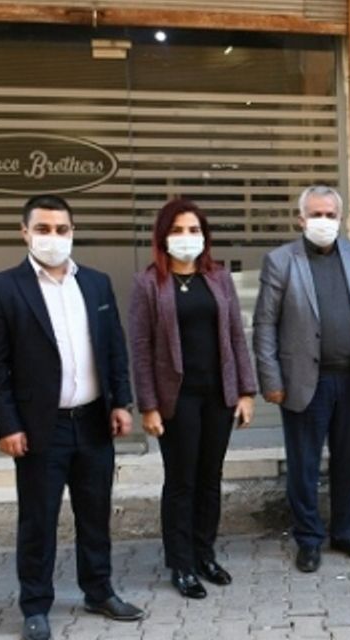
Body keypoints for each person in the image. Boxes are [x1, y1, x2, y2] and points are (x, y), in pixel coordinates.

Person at [0, 194, 143, 640]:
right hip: (39, 428)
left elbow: (113, 348)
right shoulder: (2, 289)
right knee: (39, 519)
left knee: (95, 512)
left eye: (62, 229)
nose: (53, 237)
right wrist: (8, 425)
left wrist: (121, 402)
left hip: (92, 421)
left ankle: (99, 590)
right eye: (43, 229)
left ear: (73, 232)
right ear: (24, 232)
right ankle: (35, 606)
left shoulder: (95, 283)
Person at [129, 199, 257, 598]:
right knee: (181, 482)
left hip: (218, 394)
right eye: (178, 230)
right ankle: (181, 564)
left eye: (194, 230)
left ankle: (205, 554)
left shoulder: (218, 278)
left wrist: (246, 391)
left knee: (210, 478)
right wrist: (148, 405)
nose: (187, 238)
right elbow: (141, 347)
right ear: (163, 237)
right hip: (177, 399)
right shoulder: (149, 284)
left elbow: (236, 336)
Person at [253, 186, 350, 574]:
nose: (323, 221)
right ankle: (308, 539)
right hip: (305, 381)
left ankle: (345, 531)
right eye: (316, 214)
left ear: (341, 219)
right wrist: (271, 379)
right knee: (304, 465)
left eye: (330, 215)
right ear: (301, 219)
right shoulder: (281, 261)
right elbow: (264, 324)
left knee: (349, 462)